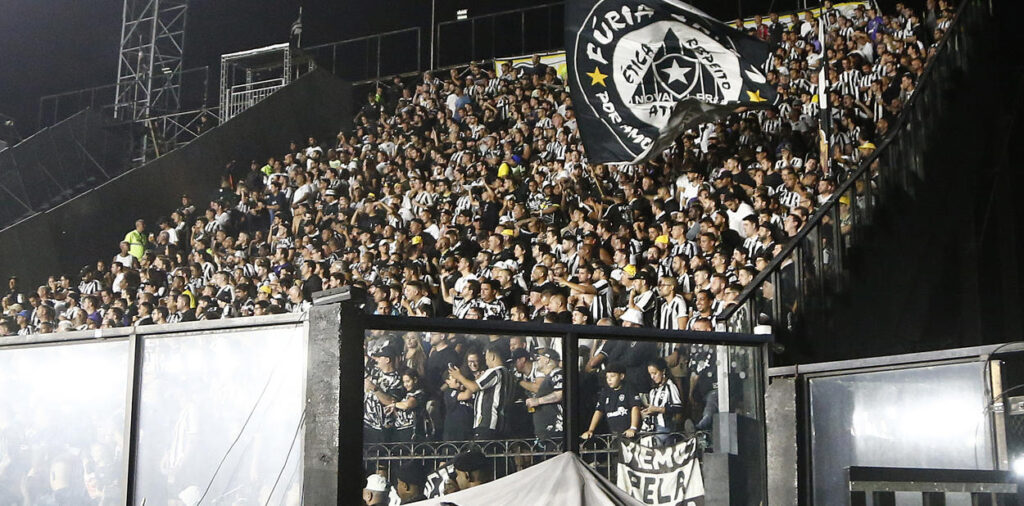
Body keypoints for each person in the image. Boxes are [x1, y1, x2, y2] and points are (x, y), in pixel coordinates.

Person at [448, 343, 514, 439]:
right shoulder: (509, 374)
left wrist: (459, 376)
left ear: (492, 357)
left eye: (486, 359)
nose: (486, 362)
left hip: (487, 423)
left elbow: (474, 387)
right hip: (502, 424)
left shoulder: (495, 372)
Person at [580, 363, 641, 440]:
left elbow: (635, 407)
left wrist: (633, 427)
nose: (609, 380)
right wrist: (590, 430)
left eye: (612, 376)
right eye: (607, 377)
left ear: (621, 376)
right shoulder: (606, 392)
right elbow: (599, 411)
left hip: (629, 434)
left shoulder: (629, 389)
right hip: (613, 435)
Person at [364, 345, 404, 443]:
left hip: (381, 428)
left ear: (387, 360)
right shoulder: (375, 371)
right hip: (367, 423)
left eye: (379, 357)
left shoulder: (397, 380)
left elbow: (390, 401)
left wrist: (375, 388)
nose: (376, 360)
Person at [641, 358, 683, 447]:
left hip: (665, 428)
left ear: (663, 371)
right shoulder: (653, 391)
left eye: (655, 373)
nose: (652, 377)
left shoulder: (670, 387)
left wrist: (658, 409)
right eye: (650, 374)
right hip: (652, 428)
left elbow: (678, 407)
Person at [524, 348, 564, 439]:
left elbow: (560, 393)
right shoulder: (550, 376)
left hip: (554, 430)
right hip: (547, 432)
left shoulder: (556, 372)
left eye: (539, 358)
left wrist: (538, 401)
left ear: (547, 360)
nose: (537, 360)